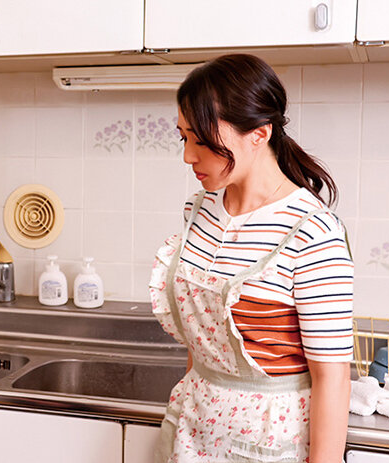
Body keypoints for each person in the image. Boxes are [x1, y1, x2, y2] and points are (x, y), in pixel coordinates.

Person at [149, 54, 353, 462]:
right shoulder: (200, 211)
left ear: (259, 134)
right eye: (183, 138)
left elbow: (332, 378)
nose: (188, 156)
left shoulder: (312, 233)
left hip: (268, 440)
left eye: (202, 141)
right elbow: (203, 338)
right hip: (193, 429)